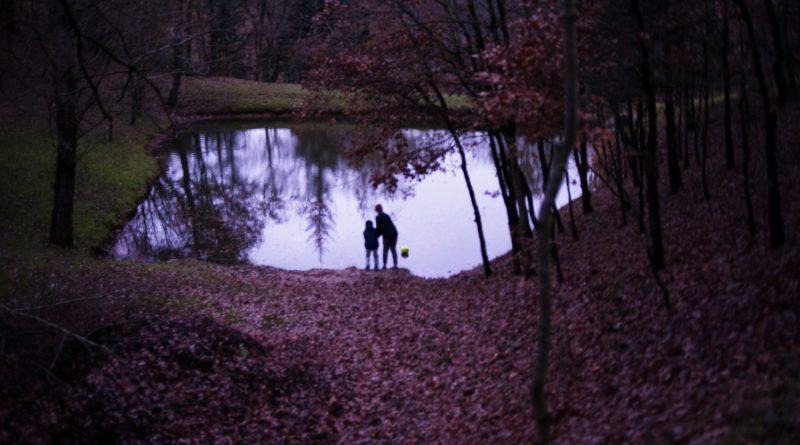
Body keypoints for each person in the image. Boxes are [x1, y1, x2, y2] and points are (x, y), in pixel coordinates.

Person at [374, 204, 398, 269]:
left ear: (376, 210)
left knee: (385, 250)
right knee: (393, 249)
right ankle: (395, 265)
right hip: (394, 233)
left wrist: (375, 236)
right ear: (382, 209)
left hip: (387, 235)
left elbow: (379, 229)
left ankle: (384, 265)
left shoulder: (378, 217)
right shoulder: (387, 216)